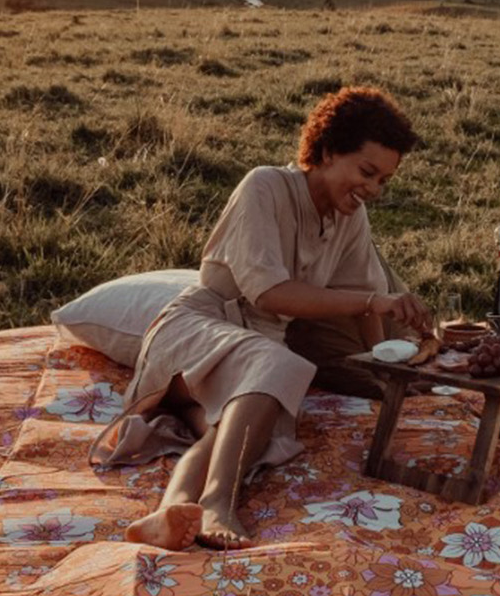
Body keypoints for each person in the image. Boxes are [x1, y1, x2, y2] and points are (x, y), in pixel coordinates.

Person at [91, 86, 431, 550]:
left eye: (383, 181)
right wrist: (375, 303)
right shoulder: (264, 186)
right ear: (329, 151)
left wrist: (378, 366)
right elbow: (270, 294)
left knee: (243, 432)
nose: (372, 189)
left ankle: (168, 509)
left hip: (257, 356)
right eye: (367, 172)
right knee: (281, 368)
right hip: (198, 333)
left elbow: (359, 293)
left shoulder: (351, 217)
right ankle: (218, 502)